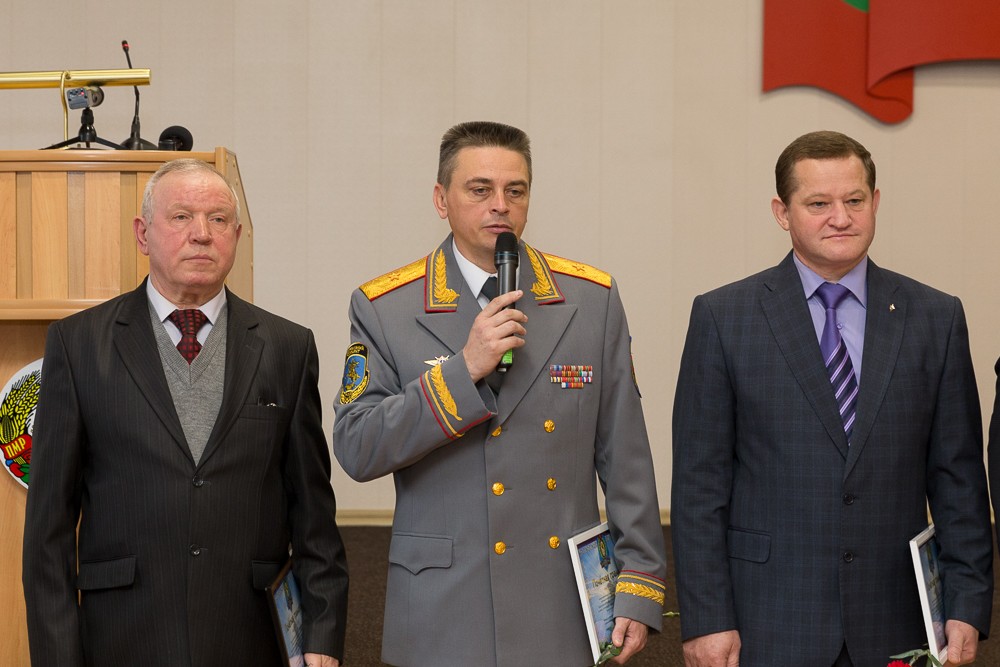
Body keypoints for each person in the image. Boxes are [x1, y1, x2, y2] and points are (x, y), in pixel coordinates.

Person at [333, 121, 666, 666]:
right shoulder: (385, 306)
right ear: (441, 199)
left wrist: (640, 580)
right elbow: (357, 447)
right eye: (479, 189)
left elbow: (626, 456)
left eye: (516, 190)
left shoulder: (591, 299)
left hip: (560, 604)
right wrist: (463, 371)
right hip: (443, 606)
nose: (500, 205)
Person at [671, 130, 993, 667]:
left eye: (854, 200)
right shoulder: (724, 318)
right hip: (765, 620)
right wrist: (706, 619)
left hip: (898, 621)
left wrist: (967, 604)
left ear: (876, 201)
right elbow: (699, 487)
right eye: (818, 203)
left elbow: (959, 480)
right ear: (782, 212)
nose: (840, 218)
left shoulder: (936, 319)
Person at [22, 159, 349, 667]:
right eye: (181, 217)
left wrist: (323, 635)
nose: (202, 234)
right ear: (142, 233)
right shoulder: (78, 344)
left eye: (218, 220)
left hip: (250, 637)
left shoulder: (287, 347)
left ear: (236, 236)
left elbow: (314, 517)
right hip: (120, 639)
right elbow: (49, 532)